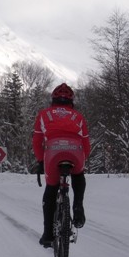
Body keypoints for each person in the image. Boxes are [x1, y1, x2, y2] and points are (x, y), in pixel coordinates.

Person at [32, 83, 91, 247]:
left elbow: (37, 141)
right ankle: (78, 206)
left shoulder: (44, 115)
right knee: (78, 176)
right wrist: (82, 161)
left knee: (51, 189)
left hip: (53, 151)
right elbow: (86, 143)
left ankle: (48, 233)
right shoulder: (78, 116)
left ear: (53, 100)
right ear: (71, 101)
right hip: (75, 151)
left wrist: (40, 160)